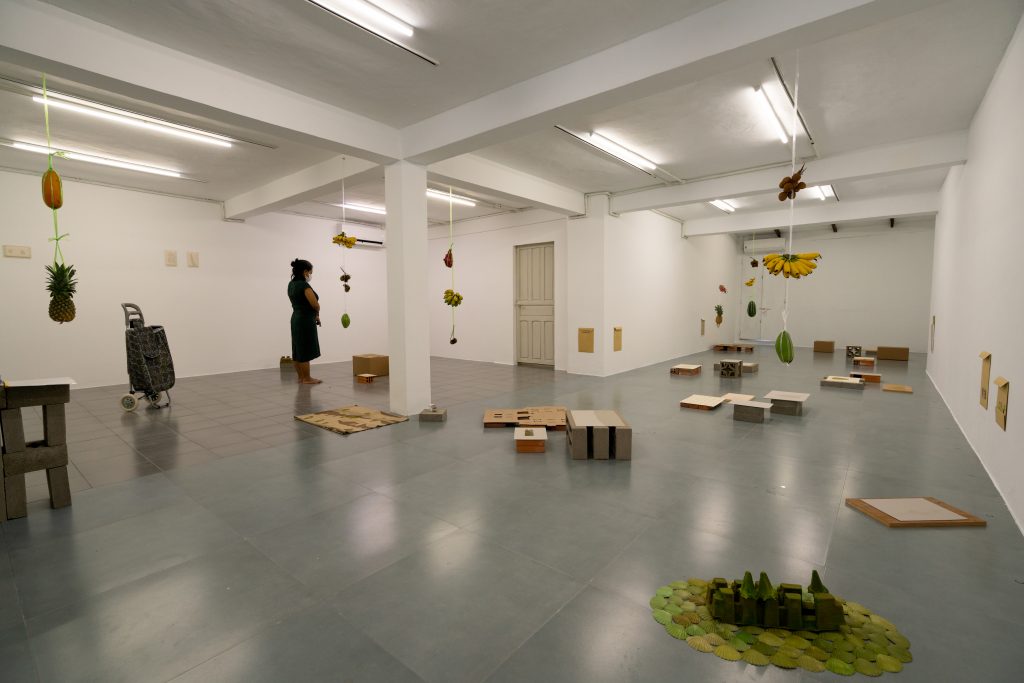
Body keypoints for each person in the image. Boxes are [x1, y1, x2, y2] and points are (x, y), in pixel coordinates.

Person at [287, 258, 322, 384]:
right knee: (305, 348)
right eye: (310, 272)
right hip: (305, 320)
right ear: (305, 271)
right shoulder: (304, 285)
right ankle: (307, 378)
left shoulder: (291, 284)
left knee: (297, 349)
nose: (310, 275)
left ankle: (301, 377)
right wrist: (317, 311)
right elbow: (314, 304)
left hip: (296, 318)